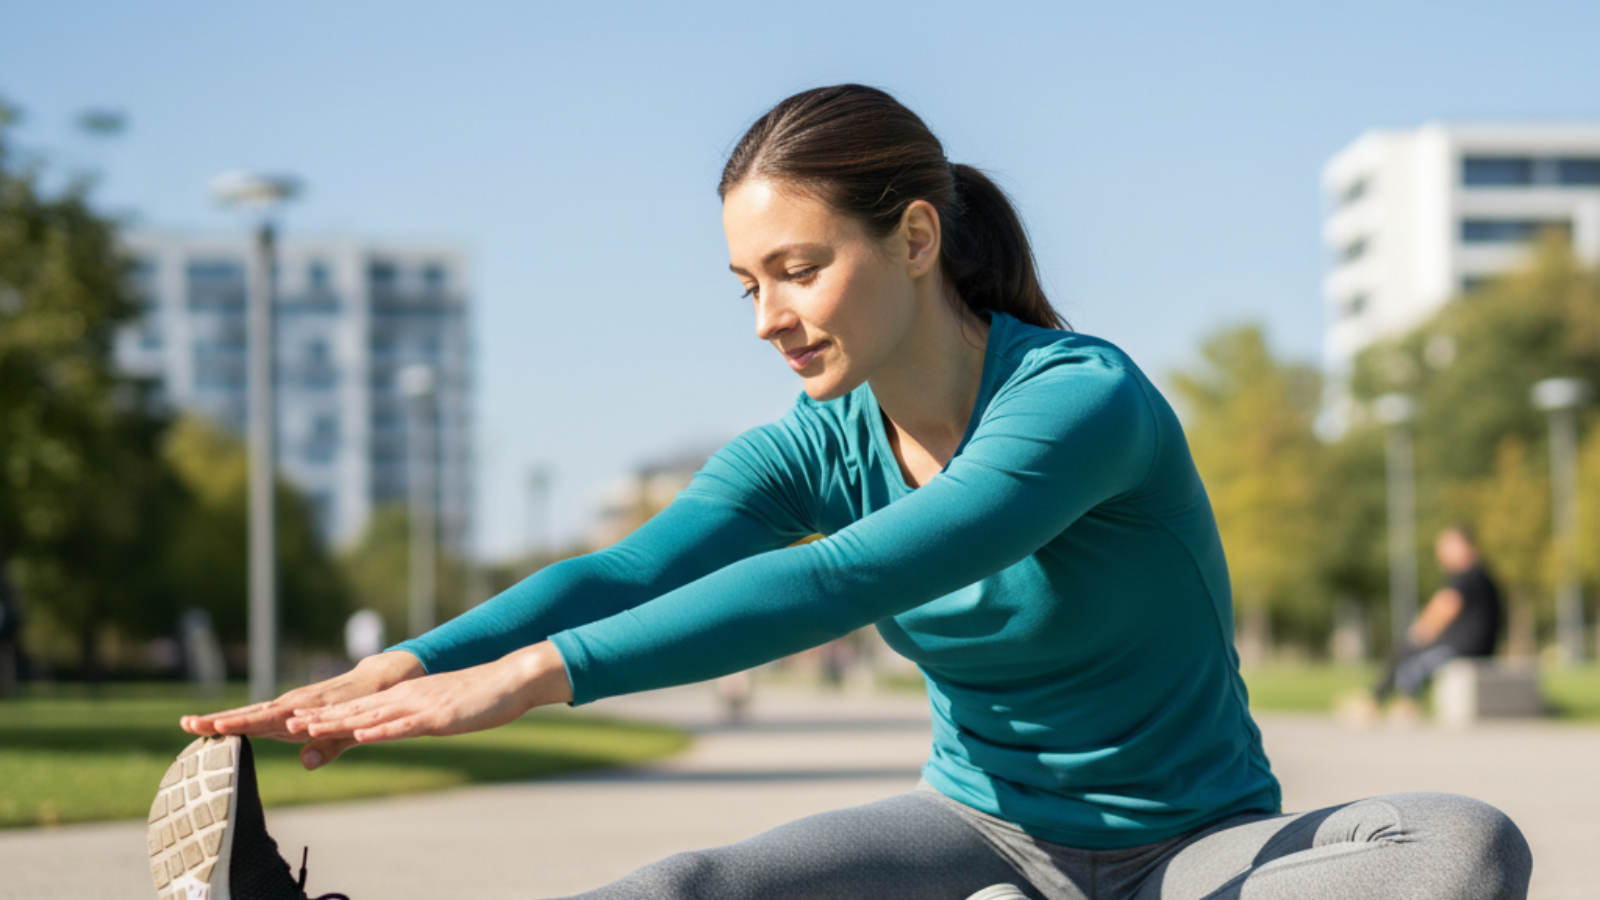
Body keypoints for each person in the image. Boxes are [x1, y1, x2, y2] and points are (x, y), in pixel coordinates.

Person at [168, 85, 1532, 900]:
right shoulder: (815, 445)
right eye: (745, 284)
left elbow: (852, 576)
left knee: (1463, 844)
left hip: (1202, 853)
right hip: (982, 827)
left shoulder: (1079, 402)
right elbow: (626, 573)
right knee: (686, 889)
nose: (766, 316)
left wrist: (529, 681)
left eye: (799, 269)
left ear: (916, 237)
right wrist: (397, 667)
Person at [1372, 525, 1504, 716]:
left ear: (1463, 546)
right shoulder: (1481, 575)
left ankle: (1395, 700)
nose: (1440, 554)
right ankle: (1381, 698)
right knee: (1406, 650)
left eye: (1445, 547)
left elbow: (1439, 614)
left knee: (1408, 653)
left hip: (1464, 648)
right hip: (1472, 646)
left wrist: (1416, 637)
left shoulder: (1465, 578)